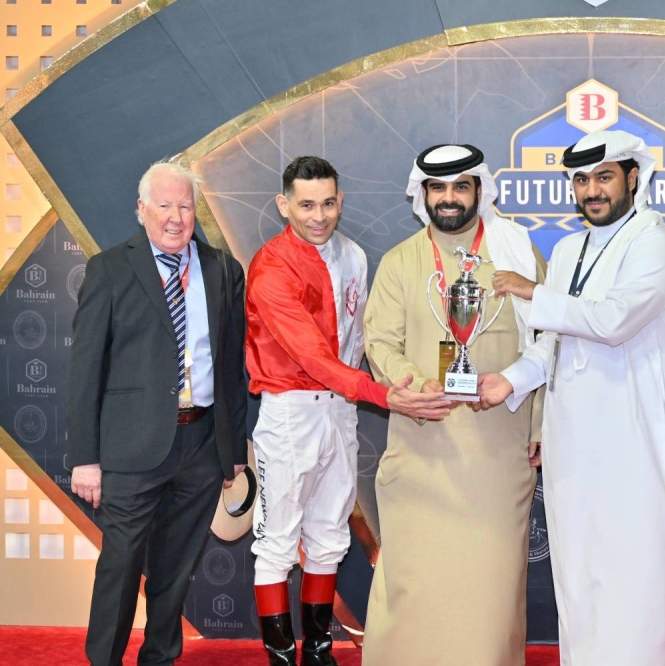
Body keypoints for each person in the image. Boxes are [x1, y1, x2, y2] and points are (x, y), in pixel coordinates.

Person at [479, 130, 665, 665]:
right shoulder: (568, 250)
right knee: (579, 578)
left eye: (603, 177)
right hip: (572, 445)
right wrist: (510, 380)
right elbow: (556, 340)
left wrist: (532, 290)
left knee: (635, 578)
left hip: (633, 445)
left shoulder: (653, 245)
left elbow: (612, 321)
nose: (591, 190)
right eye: (581, 180)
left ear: (632, 178)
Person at [245, 156, 450, 666]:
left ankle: (318, 651)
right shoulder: (270, 268)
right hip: (290, 412)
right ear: (284, 205)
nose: (319, 216)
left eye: (328, 203)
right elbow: (312, 357)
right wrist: (383, 395)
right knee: (277, 540)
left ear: (341, 201)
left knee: (330, 533)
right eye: (306, 205)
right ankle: (281, 655)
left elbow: (359, 339)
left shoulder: (354, 256)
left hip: (341, 410)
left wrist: (388, 382)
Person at [361, 144, 545, 666]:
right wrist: (414, 384)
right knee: (416, 592)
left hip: (496, 456)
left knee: (488, 597)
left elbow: (551, 342)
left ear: (478, 191)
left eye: (460, 187)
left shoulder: (515, 252)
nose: (449, 197)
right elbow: (380, 342)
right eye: (437, 187)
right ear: (422, 194)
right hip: (422, 447)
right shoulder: (400, 261)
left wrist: (541, 424)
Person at [68, 161, 247, 665]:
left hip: (201, 445)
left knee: (177, 569)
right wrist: (85, 457)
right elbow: (85, 370)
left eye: (185, 206)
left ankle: (160, 658)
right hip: (130, 449)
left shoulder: (223, 269)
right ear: (141, 209)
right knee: (121, 565)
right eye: (164, 205)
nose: (175, 217)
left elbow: (232, 367)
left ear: (196, 212)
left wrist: (232, 449)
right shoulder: (109, 269)